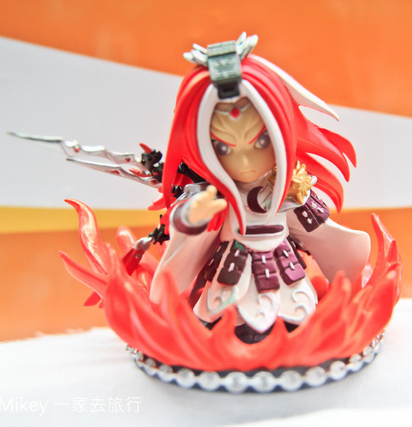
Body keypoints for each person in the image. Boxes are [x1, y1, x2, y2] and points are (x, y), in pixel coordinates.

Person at [148, 34, 370, 343]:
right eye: (224, 147)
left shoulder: (282, 186)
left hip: (284, 271)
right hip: (232, 271)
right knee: (227, 325)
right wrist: (194, 217)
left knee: (295, 323)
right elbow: (184, 219)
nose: (244, 161)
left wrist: (301, 195)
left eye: (260, 141)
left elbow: (315, 227)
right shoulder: (212, 195)